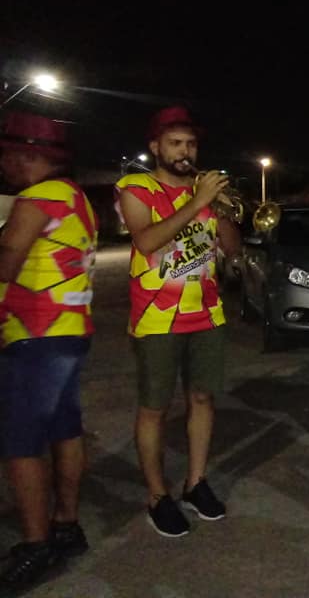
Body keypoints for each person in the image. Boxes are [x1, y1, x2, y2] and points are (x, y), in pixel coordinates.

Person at [115, 106, 241, 537]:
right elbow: (147, 240)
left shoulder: (205, 191)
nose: (185, 151)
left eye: (190, 144)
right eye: (175, 143)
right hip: (157, 317)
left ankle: (195, 482)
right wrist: (199, 201)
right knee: (155, 407)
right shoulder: (137, 188)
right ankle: (157, 495)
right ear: (155, 147)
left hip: (207, 311)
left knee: (202, 399)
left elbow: (231, 245)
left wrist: (223, 213)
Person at [0, 112, 97, 592]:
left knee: (20, 442)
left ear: (27, 156)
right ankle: (66, 524)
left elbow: (6, 264)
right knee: (64, 429)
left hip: (35, 333)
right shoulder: (76, 197)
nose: (4, 164)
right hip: (69, 330)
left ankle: (36, 545)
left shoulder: (37, 198)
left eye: (7, 155)